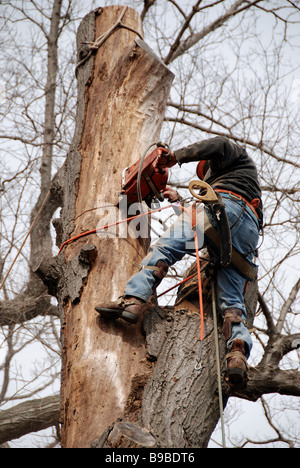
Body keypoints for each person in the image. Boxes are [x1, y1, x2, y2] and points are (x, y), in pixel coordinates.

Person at [95, 136, 263, 386]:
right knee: (232, 303)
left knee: (164, 249)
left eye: (205, 169)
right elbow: (205, 225)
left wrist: (175, 157)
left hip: (223, 208)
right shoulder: (244, 183)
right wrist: (176, 200)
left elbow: (219, 145)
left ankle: (133, 300)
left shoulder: (235, 156)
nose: (206, 174)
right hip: (247, 233)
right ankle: (237, 353)